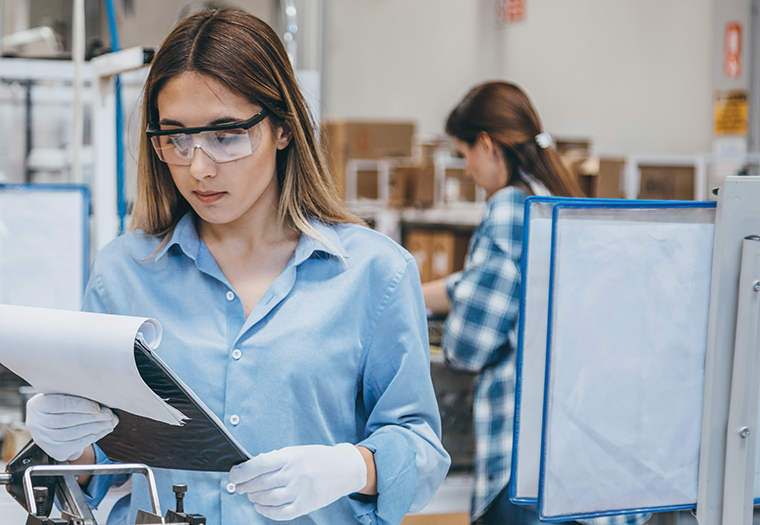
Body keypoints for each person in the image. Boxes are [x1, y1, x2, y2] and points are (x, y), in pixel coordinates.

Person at [23, 8, 450, 525]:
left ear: (283, 130)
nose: (199, 167)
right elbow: (107, 468)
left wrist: (352, 466)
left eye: (226, 134)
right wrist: (70, 445)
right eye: (176, 138)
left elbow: (421, 451)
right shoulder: (125, 272)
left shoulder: (374, 274)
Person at [421, 82, 651, 525]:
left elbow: (468, 345)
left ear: (486, 144)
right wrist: (411, 286)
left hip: (522, 460)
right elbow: (500, 283)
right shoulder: (556, 200)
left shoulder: (508, 208)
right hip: (581, 458)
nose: (466, 169)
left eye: (463, 154)